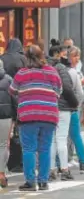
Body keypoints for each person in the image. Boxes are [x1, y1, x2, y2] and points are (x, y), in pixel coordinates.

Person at [9, 45, 62, 191]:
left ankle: (30, 182)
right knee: (45, 148)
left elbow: (12, 90)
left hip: (28, 115)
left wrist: (26, 93)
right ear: (42, 56)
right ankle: (43, 181)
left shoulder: (22, 73)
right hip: (49, 115)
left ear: (26, 57)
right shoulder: (52, 71)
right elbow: (59, 90)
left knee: (29, 149)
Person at [48, 46, 78, 181]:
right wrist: (74, 103)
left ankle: (51, 169)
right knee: (61, 139)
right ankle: (64, 169)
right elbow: (67, 87)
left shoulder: (45, 68)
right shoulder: (61, 68)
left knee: (52, 140)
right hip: (63, 106)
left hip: (49, 107)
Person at [66, 46, 84, 174]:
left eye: (78, 56)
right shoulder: (74, 72)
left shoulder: (72, 71)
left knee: (69, 136)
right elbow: (79, 92)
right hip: (73, 107)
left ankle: (79, 161)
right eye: (75, 56)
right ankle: (81, 162)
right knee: (73, 135)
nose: (77, 58)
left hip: (69, 107)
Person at [0, 59, 13, 188]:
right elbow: (15, 98)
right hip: (5, 116)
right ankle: (2, 173)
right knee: (3, 145)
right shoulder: (9, 79)